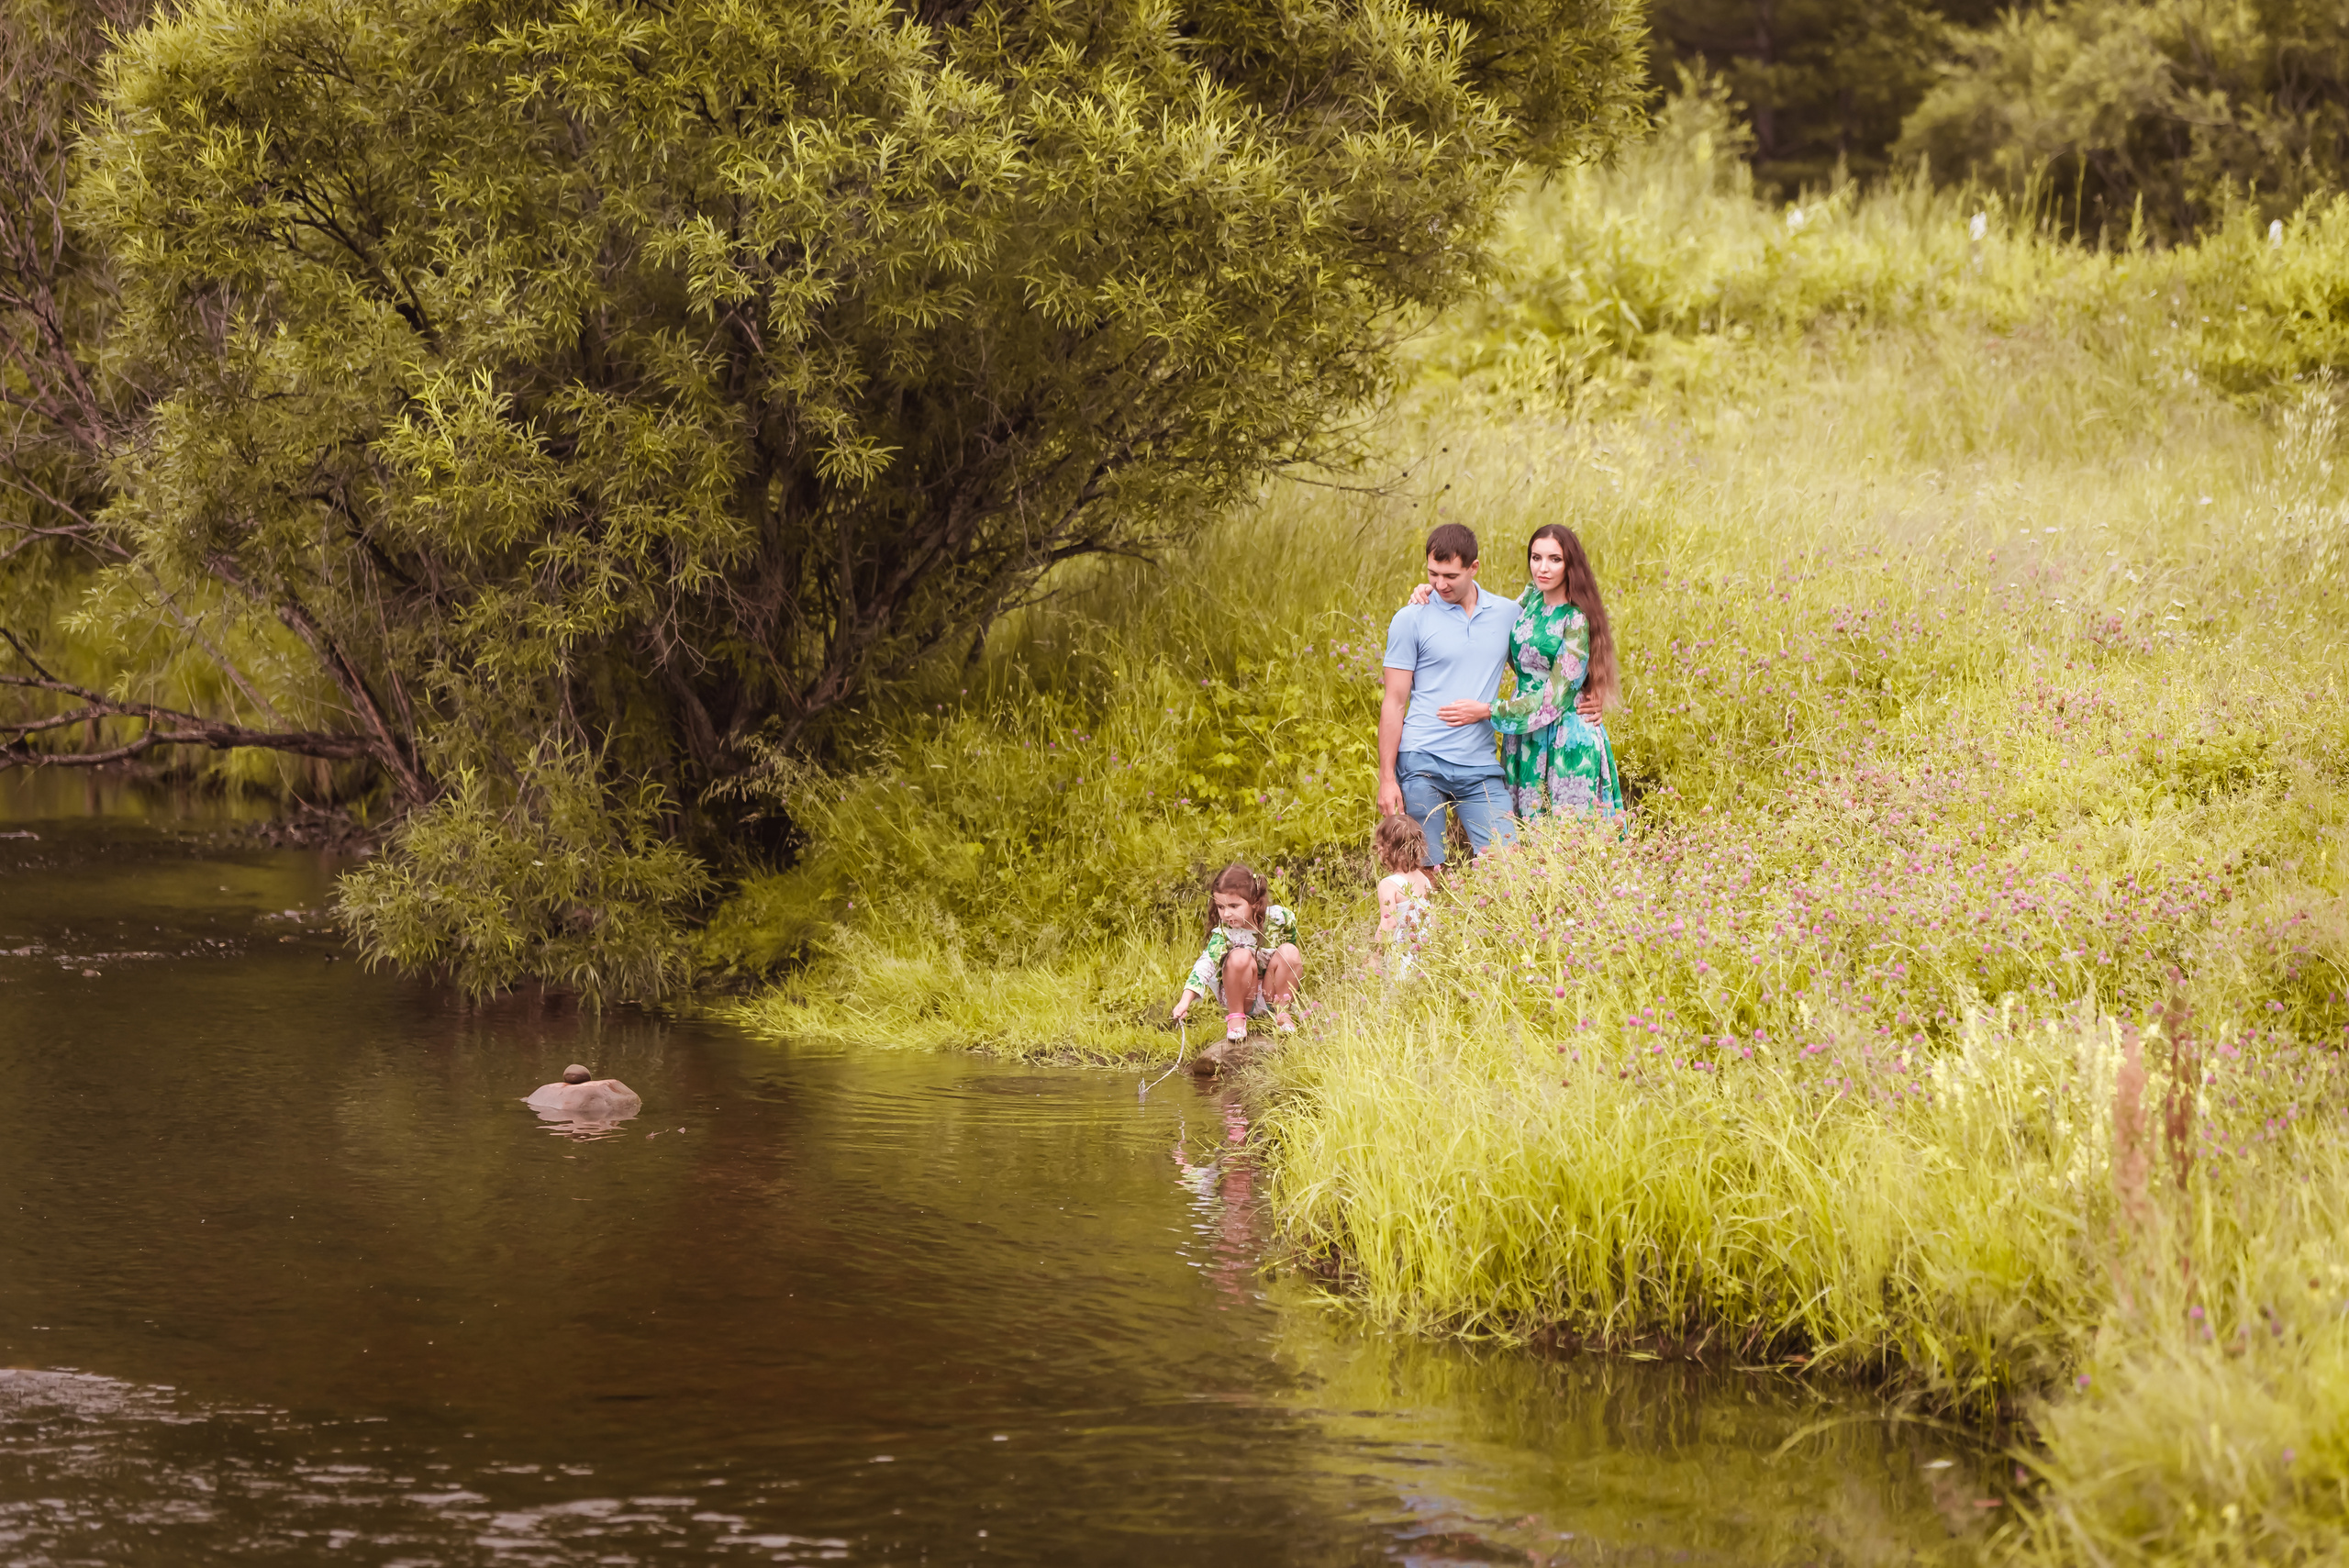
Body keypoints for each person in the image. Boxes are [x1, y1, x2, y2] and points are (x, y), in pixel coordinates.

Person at [1378, 522, 1601, 868]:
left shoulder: (1508, 614)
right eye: (1432, 574)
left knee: (1508, 868)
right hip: (1421, 759)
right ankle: (1431, 921)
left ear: (1474, 568)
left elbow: (1545, 655)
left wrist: (1589, 692)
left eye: (1450, 575)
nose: (1439, 585)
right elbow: (1393, 701)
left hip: (1479, 766)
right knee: (1424, 869)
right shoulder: (1412, 617)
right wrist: (1388, 779)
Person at [1409, 523, 1622, 817]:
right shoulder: (1532, 600)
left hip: (1564, 736)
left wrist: (1487, 710)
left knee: (1568, 840)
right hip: (1523, 736)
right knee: (1524, 838)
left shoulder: (1576, 620)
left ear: (1570, 564)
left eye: (1554, 559)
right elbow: (1488, 618)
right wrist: (1432, 590)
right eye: (1536, 558)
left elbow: (1553, 699)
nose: (1542, 568)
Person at [1171, 862, 1301, 1071]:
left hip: (1270, 992)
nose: (1226, 914)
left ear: (1254, 902)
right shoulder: (1224, 934)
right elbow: (1205, 965)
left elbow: (1291, 946)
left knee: (1290, 952)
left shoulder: (1279, 920)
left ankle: (1282, 1012)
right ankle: (1237, 1018)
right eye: (1221, 907)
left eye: (1233, 906)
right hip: (1243, 995)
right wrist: (1185, 1000)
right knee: (1239, 956)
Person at [1372, 814, 1433, 978]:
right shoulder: (1425, 880)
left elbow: (1389, 923)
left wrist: (1374, 957)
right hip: (1428, 955)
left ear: (1387, 849)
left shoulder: (1389, 884)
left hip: (1404, 958)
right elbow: (1434, 918)